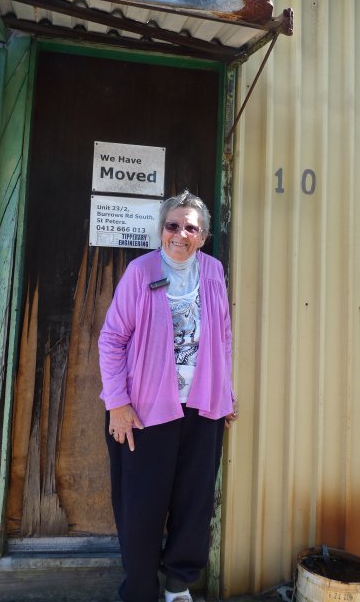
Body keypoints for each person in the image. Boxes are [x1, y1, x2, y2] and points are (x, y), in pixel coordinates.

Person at [98, 190, 237, 602]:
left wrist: (224, 393)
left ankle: (179, 585)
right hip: (144, 410)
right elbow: (111, 339)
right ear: (161, 231)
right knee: (142, 508)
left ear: (203, 236)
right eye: (173, 225)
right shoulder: (141, 271)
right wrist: (117, 403)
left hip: (202, 406)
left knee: (194, 503)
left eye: (191, 227)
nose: (181, 234)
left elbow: (223, 337)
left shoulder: (212, 271)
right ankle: (141, 591)